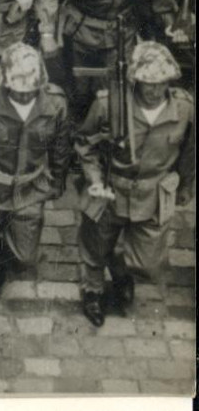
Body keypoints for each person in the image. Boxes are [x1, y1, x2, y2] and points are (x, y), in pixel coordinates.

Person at [76, 41, 194, 326]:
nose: (154, 90)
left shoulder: (184, 108)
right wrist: (93, 180)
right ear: (135, 80)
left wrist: (185, 188)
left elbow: (190, 153)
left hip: (154, 193)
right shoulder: (109, 104)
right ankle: (92, 292)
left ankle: (121, 271)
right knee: (96, 245)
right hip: (112, 188)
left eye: (161, 83)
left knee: (147, 262)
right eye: (147, 83)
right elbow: (85, 144)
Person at [0, 42, 71, 293]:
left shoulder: (55, 103)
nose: (23, 95)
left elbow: (61, 147)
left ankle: (4, 248)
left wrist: (56, 181)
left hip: (29, 188)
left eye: (30, 91)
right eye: (17, 91)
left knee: (24, 258)